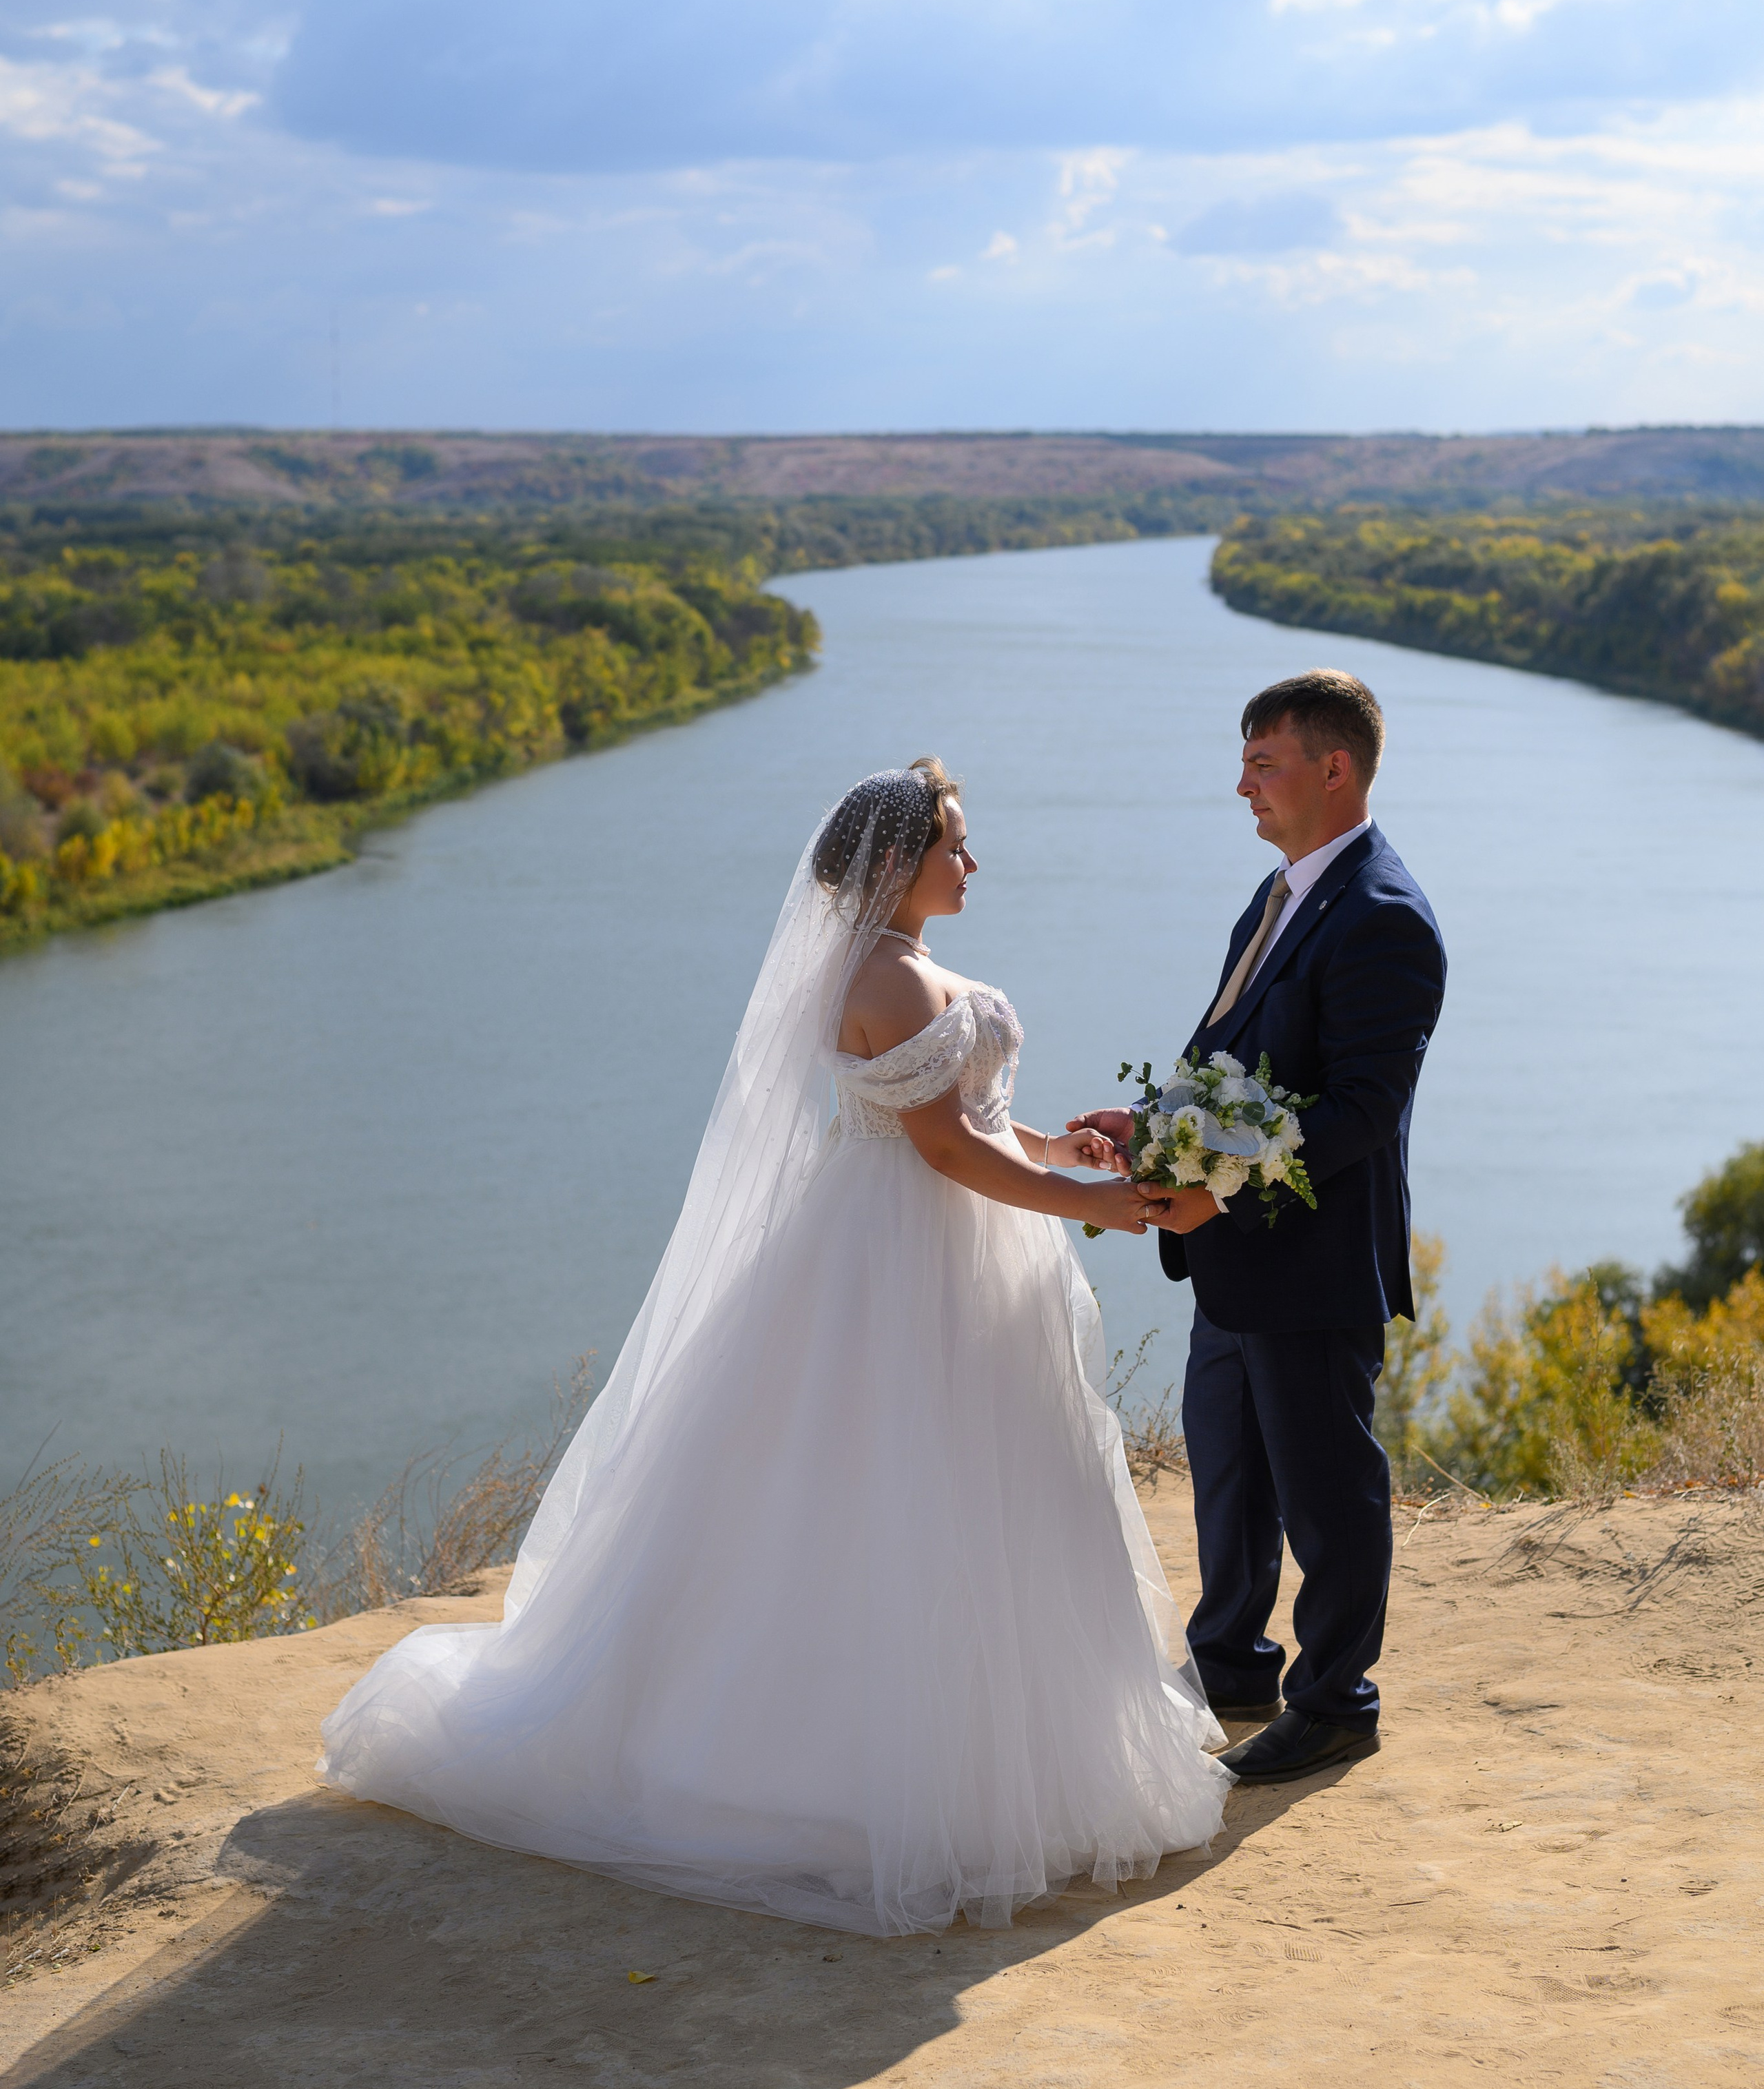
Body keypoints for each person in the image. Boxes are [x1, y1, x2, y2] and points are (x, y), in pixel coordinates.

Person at [319, 760, 1229, 1935]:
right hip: (901, 1257)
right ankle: (841, 1779)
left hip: (952, 1248)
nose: (972, 860)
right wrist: (1090, 1206)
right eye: (953, 842)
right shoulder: (882, 976)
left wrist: (1059, 1151)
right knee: (882, 1493)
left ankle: (999, 1750)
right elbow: (943, 1151)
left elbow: (978, 1124)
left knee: (983, 1487)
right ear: (895, 859)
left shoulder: (904, 964)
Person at [1073, 672, 1447, 1784]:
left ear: (1335, 768)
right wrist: (1148, 1132)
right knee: (1231, 1470)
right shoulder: (1278, 893)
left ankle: (1335, 1705)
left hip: (1315, 1266)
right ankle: (1231, 1663)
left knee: (1330, 1492)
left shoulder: (1384, 917)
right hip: (1237, 1263)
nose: (1243, 784)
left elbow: (1363, 1111)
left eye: (1262, 762)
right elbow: (1228, 1063)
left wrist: (1221, 1191)